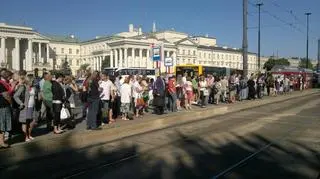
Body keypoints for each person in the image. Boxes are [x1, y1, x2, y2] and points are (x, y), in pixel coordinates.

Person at [13, 75, 36, 142]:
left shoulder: (33, 87)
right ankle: (25, 136)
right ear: (29, 81)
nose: (34, 82)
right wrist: (21, 103)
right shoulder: (23, 87)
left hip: (32, 107)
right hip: (26, 107)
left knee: (31, 121)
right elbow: (15, 96)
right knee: (25, 122)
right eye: (33, 81)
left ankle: (29, 135)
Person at [0, 69, 14, 148]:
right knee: (2, 124)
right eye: (9, 76)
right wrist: (11, 103)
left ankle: (1, 141)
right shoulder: (1, 83)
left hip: (2, 106)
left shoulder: (3, 83)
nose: (10, 78)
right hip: (3, 106)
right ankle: (1, 142)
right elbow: (6, 95)